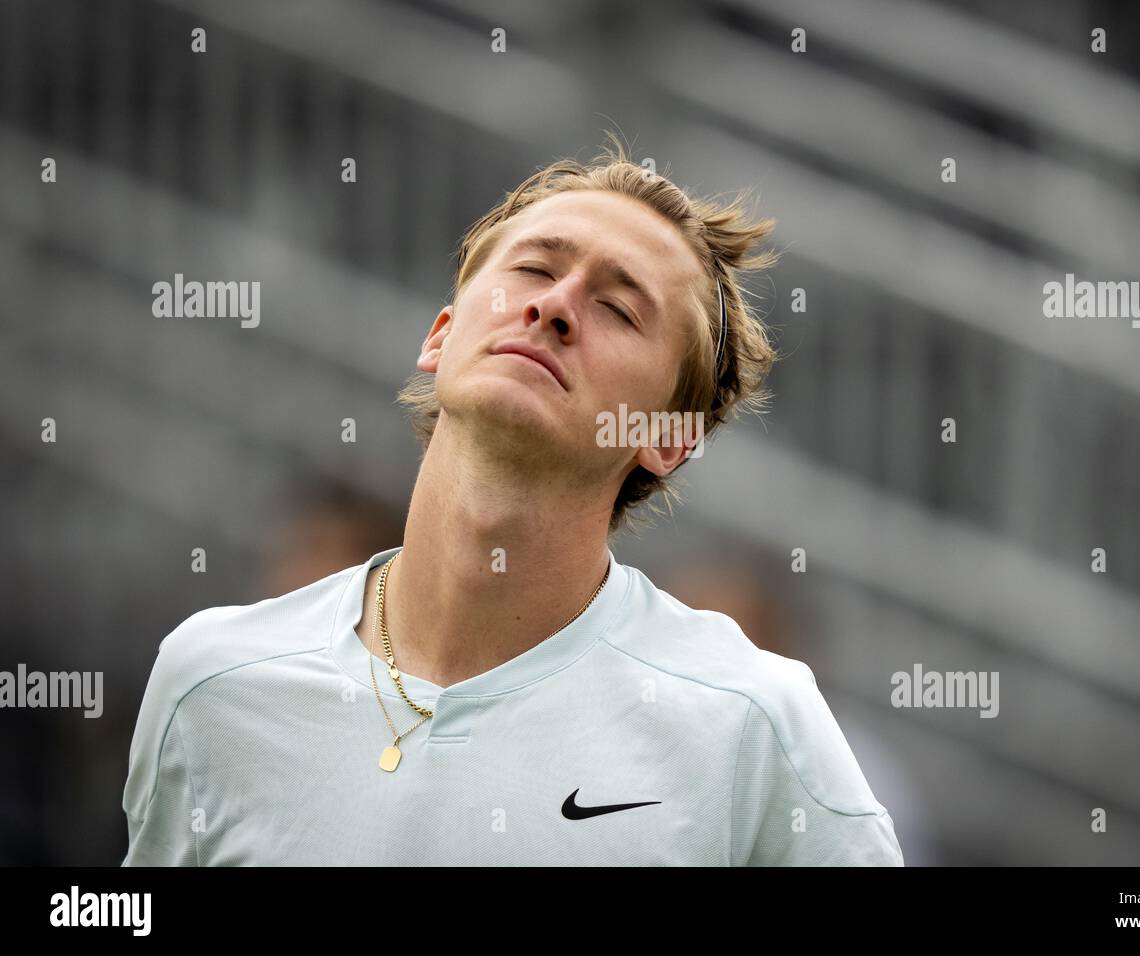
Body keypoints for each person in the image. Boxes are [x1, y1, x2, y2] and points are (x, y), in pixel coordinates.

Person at [120, 135, 904, 865]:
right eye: (534, 269)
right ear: (441, 335)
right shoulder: (209, 680)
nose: (555, 305)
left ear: (668, 436)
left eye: (620, 308)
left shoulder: (754, 727)